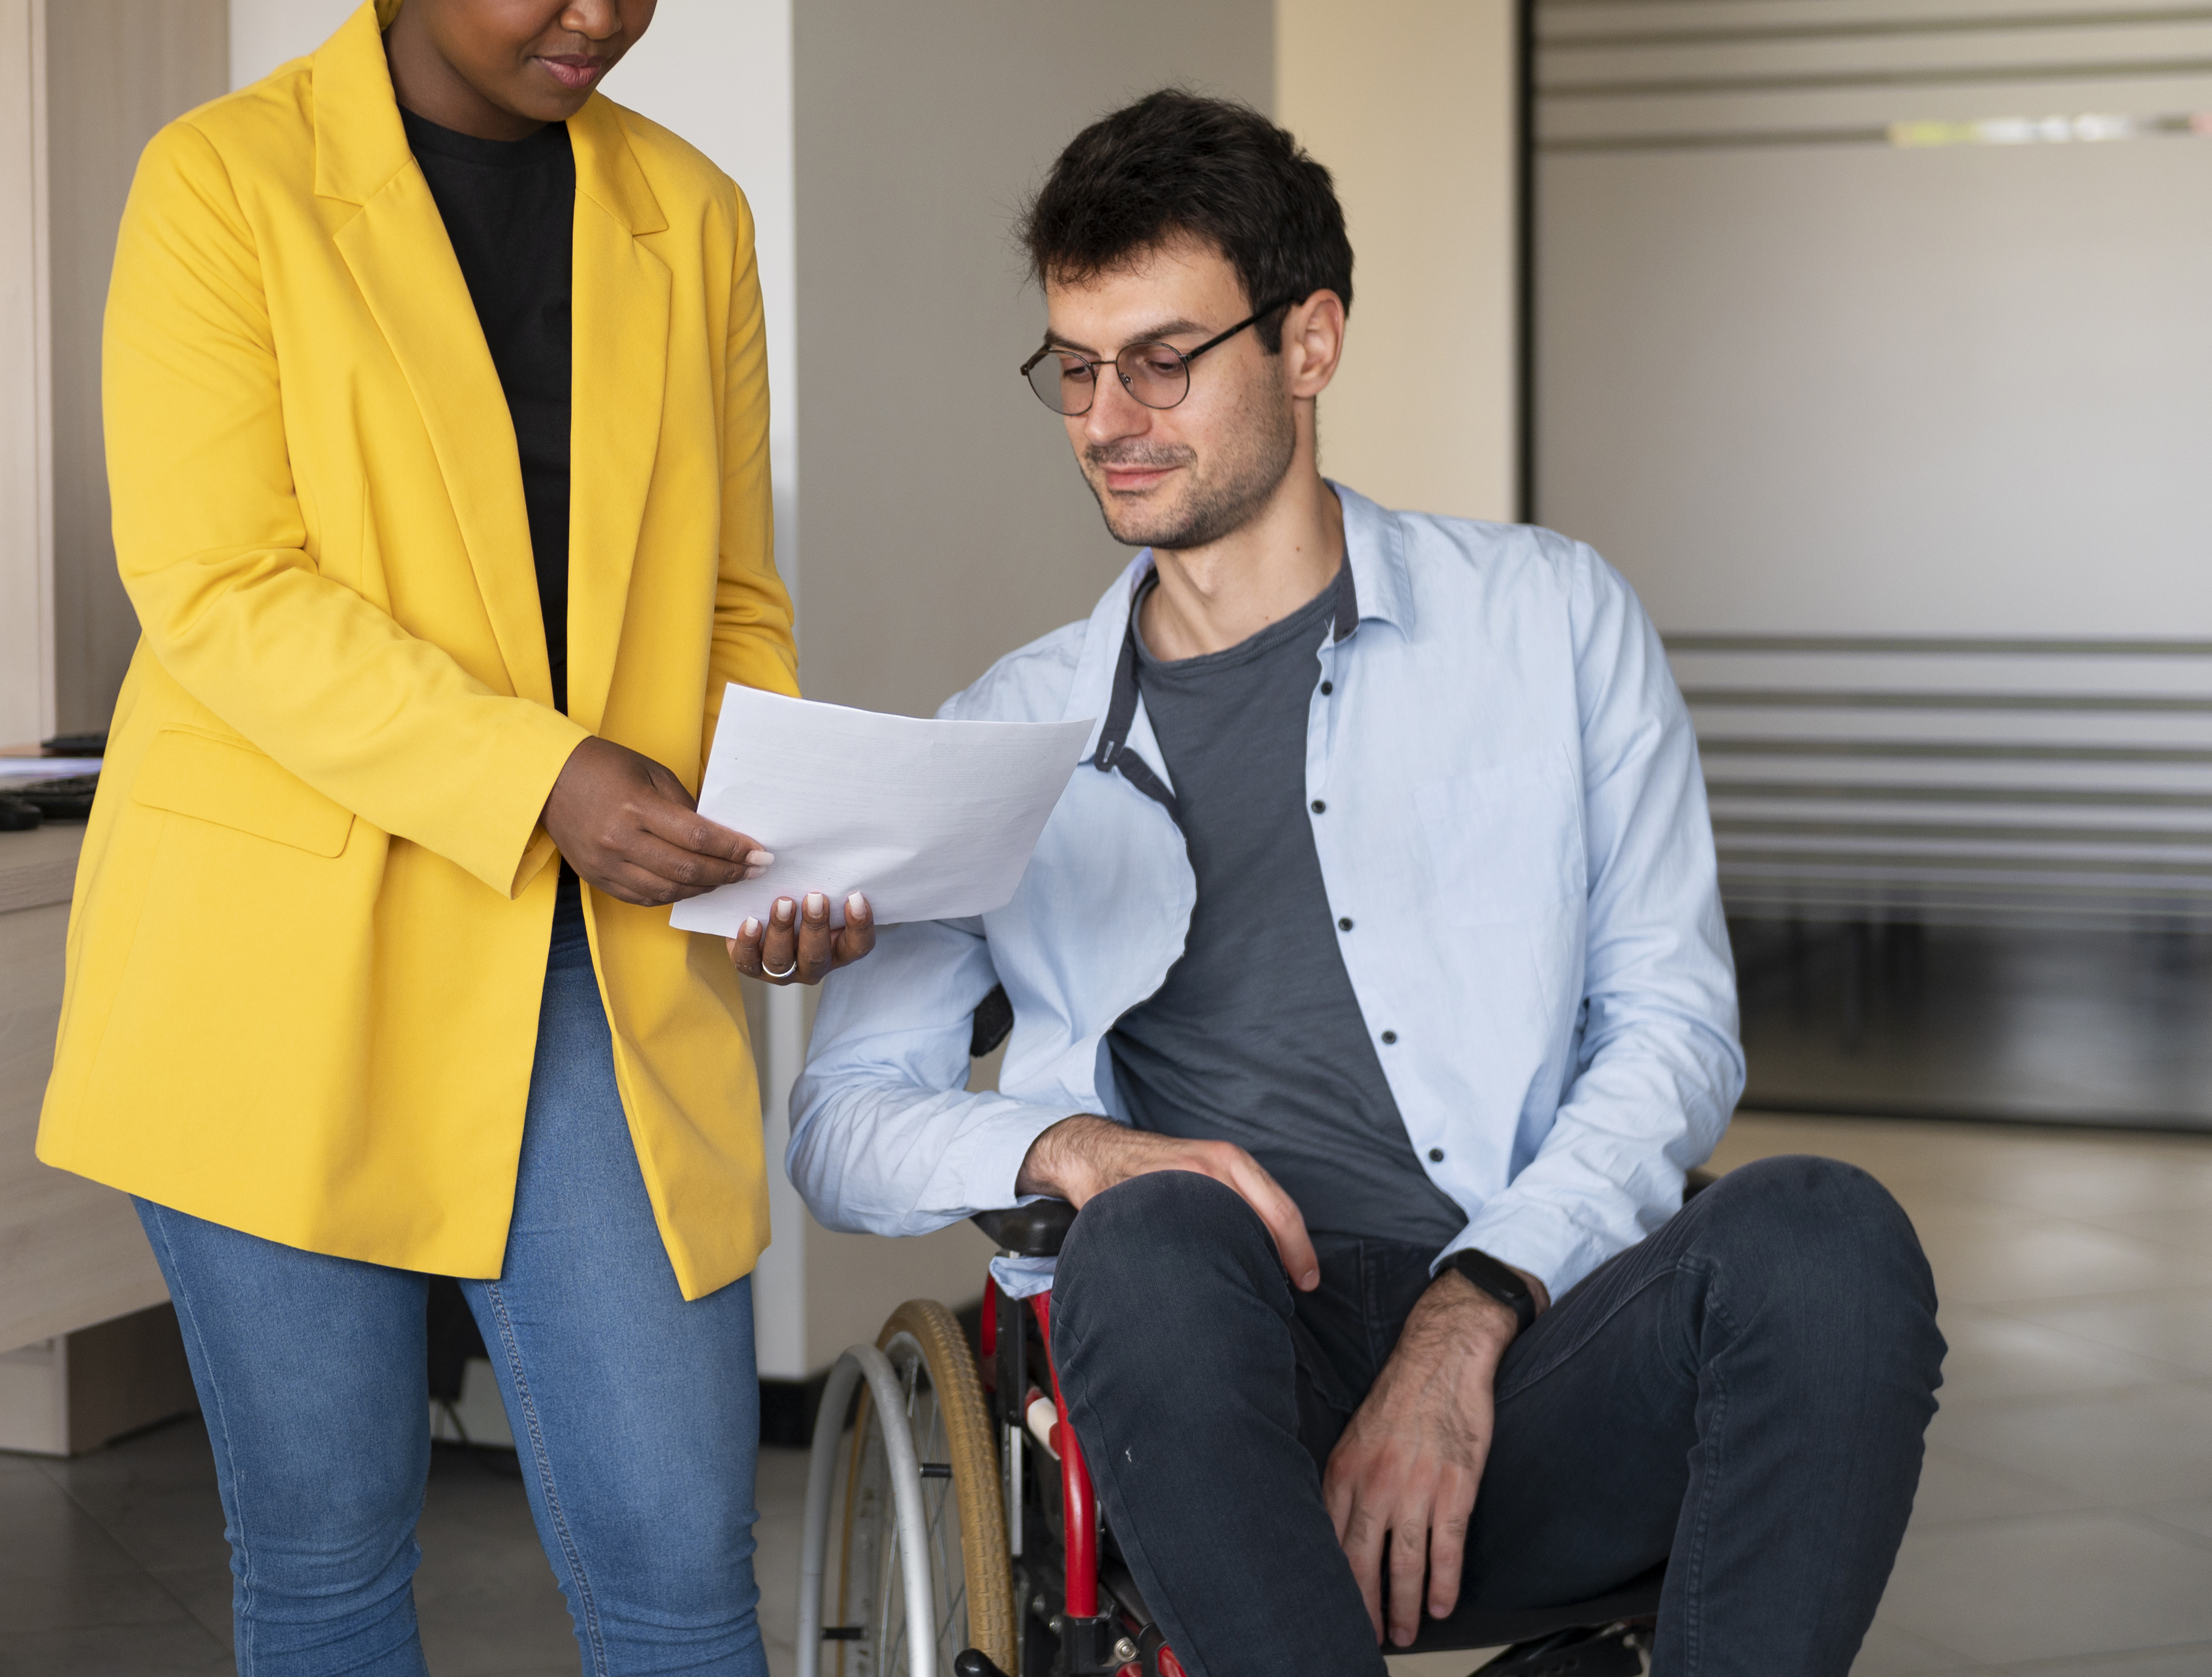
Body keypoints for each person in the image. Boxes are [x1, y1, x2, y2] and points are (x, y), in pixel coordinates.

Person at [787, 92, 1943, 1676]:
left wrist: (1468, 1315)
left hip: (1530, 1338)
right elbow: (840, 1124)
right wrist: (1068, 1144)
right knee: (1146, 1232)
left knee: (1826, 1233)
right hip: (1217, 1387)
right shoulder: (1007, 735)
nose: (1108, 415)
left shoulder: (1545, 620)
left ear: (1308, 341)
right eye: (1076, 363)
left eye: (1164, 358)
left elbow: (1672, 1025)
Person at [34, 0, 872, 1671]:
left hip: (589, 958)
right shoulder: (221, 185)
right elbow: (220, 591)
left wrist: (773, 828)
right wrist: (547, 776)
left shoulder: (692, 217)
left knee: (682, 1568)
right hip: (280, 962)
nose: (599, 16)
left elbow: (728, 597)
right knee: (324, 1571)